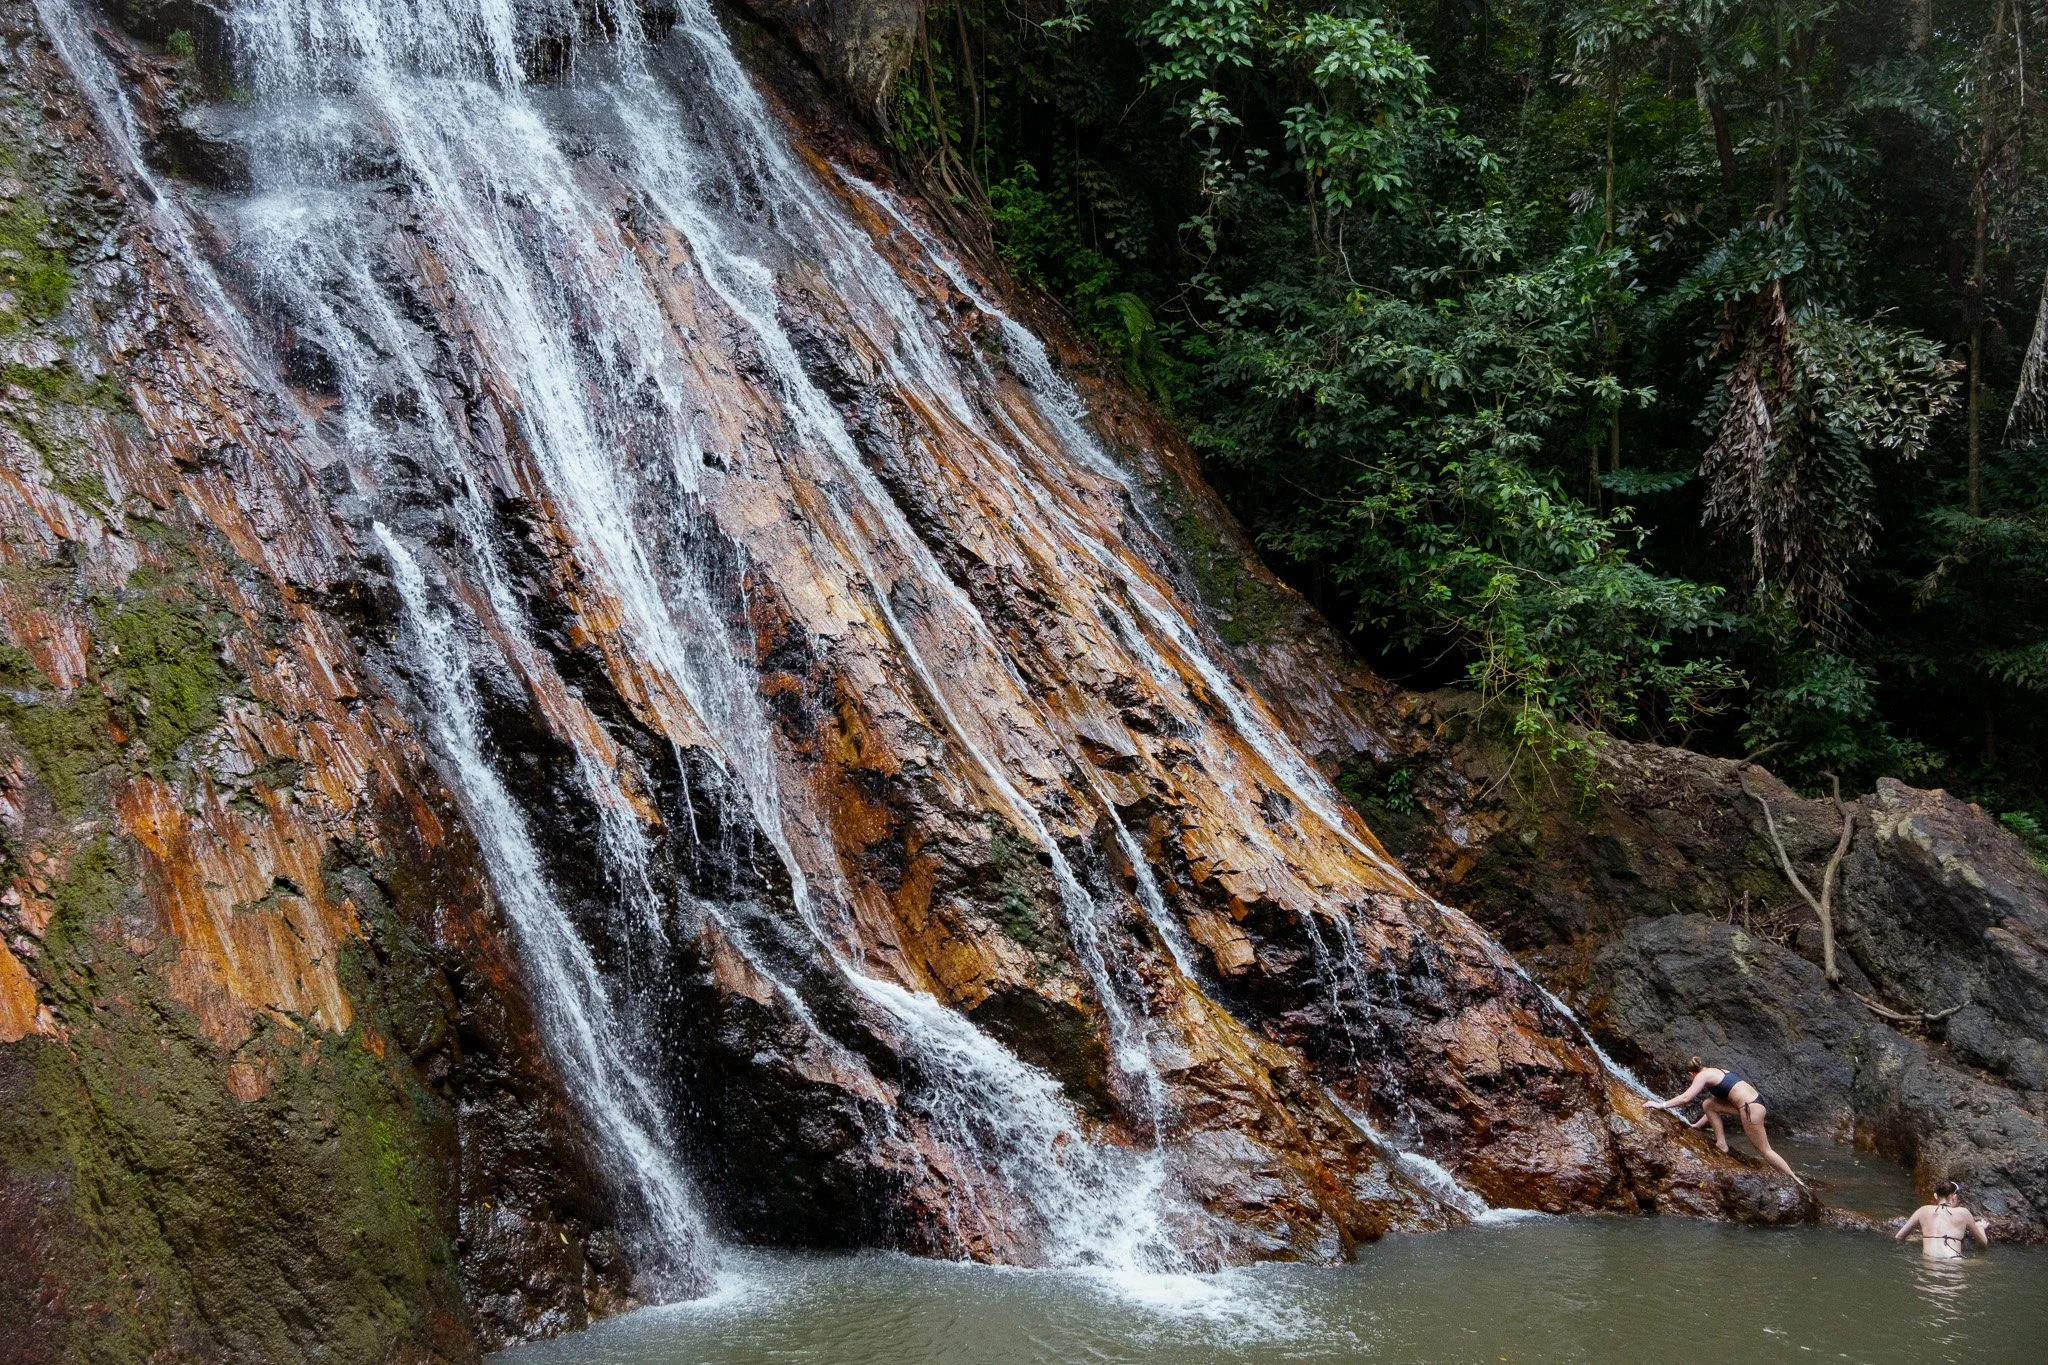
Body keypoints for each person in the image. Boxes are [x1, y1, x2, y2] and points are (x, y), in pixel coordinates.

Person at [1646, 1056, 1806, 1187]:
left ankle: (1796, 1180)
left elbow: (1686, 1097)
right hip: (1755, 1103)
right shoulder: (1714, 1071)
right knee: (1708, 1104)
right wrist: (1697, 1126)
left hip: (1750, 1108)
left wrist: (1661, 1105)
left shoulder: (1702, 1076)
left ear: (1691, 1074)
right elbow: (1713, 1107)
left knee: (1764, 1150)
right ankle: (1722, 1143)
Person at [1895, 1182, 1990, 1260]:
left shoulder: (1922, 1210)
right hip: (1954, 1263)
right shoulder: (1963, 1213)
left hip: (1930, 1264)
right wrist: (1981, 1227)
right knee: (1983, 1263)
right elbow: (1983, 1243)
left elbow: (1899, 1237)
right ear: (1954, 1197)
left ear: (1935, 1196)